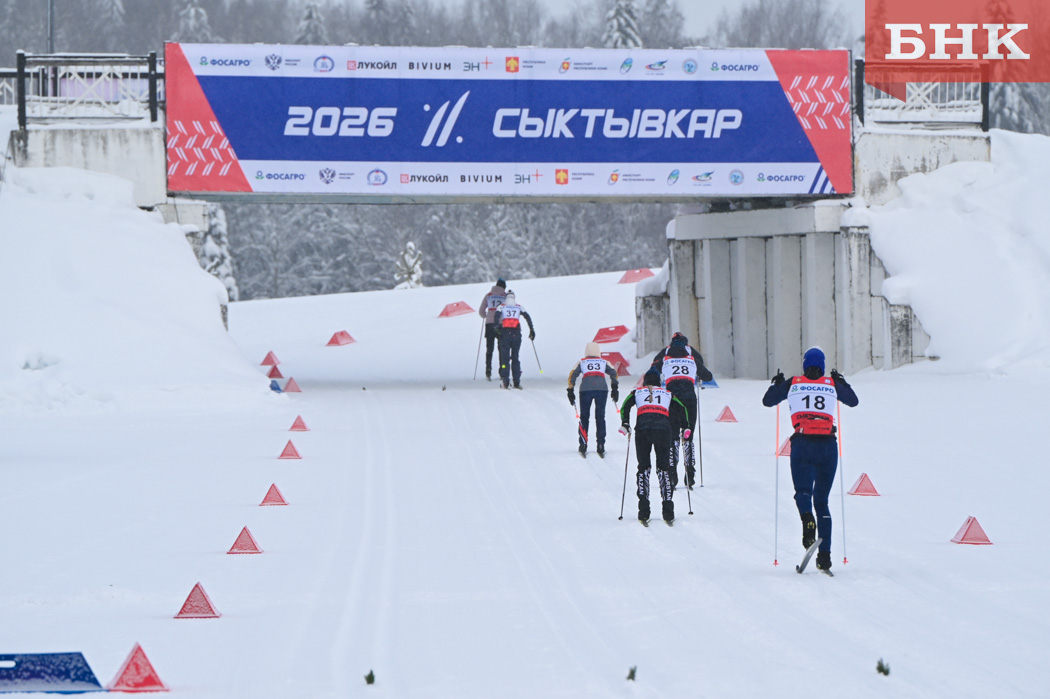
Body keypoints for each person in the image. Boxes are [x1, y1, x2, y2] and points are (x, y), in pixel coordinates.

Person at [761, 346, 859, 573]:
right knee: (822, 501)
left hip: (803, 444)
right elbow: (853, 401)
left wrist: (776, 383)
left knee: (803, 492)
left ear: (804, 365)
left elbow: (768, 401)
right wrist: (841, 382)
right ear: (823, 366)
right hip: (828, 446)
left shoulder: (793, 383)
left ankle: (807, 519)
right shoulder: (831, 384)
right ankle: (825, 557)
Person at [619, 369, 689, 524]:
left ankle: (643, 510)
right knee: (664, 468)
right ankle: (668, 510)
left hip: (642, 430)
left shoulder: (637, 392)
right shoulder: (668, 394)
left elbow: (625, 406)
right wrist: (685, 426)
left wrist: (625, 423)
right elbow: (682, 408)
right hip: (663, 431)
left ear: (645, 381)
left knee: (643, 468)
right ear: (659, 382)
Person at [649, 332, 713, 488]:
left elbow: (652, 372)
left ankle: (672, 475)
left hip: (671, 400)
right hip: (689, 399)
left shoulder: (664, 358)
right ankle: (690, 475)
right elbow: (708, 376)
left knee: (672, 437)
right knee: (688, 436)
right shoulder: (692, 359)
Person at [566, 342, 620, 458]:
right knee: (600, 416)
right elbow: (613, 373)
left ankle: (583, 444)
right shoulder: (604, 362)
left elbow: (573, 375)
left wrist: (570, 389)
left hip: (585, 390)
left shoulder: (582, 362)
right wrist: (614, 387)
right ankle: (601, 445)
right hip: (602, 389)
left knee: (584, 417)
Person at [494, 290, 535, 389]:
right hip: (516, 334)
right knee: (515, 357)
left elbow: (496, 317)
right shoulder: (519, 307)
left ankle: (505, 380)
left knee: (505, 358)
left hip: (505, 334)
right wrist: (531, 329)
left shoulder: (501, 306)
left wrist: (496, 329)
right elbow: (527, 317)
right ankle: (516, 381)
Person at [478, 278, 508, 381]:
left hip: (489, 324)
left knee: (489, 349)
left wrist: (486, 315)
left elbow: (481, 311)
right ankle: (502, 371)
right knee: (501, 349)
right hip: (501, 325)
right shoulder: (505, 296)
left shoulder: (488, 295)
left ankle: (488, 370)